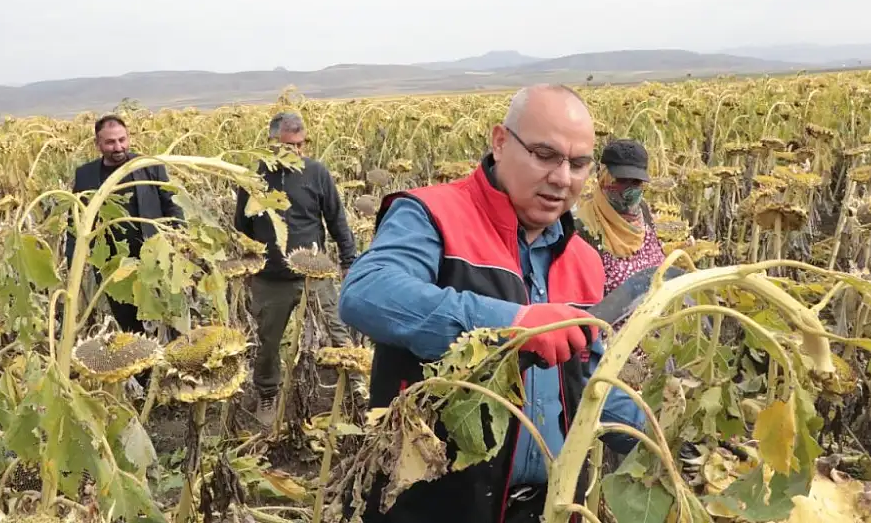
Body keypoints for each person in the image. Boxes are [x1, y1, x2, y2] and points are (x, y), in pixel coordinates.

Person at [338, 84, 646, 523]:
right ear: (500, 142)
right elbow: (368, 292)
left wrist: (664, 439)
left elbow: (587, 380)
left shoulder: (585, 260)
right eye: (545, 154)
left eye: (578, 164)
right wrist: (517, 323)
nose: (562, 178)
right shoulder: (432, 214)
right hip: (436, 506)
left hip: (549, 508)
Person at [234, 111, 364, 427]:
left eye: (300, 145)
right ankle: (267, 392)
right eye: (288, 146)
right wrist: (248, 265)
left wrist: (349, 260)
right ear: (270, 144)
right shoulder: (253, 180)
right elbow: (243, 228)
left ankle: (356, 388)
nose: (296, 152)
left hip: (314, 274)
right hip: (271, 277)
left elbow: (336, 219)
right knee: (268, 341)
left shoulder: (316, 173)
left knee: (338, 331)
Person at [65, 113, 185, 334]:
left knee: (168, 317)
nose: (118, 147)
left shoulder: (149, 166)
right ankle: (142, 368)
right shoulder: (86, 175)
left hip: (155, 257)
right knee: (129, 325)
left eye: (122, 139)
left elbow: (171, 204)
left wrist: (181, 238)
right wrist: (74, 260)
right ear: (98, 144)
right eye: (110, 142)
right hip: (113, 265)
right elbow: (76, 221)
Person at [573, 138, 666, 297]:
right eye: (621, 180)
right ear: (603, 178)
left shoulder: (642, 210)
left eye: (636, 182)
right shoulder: (583, 229)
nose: (629, 190)